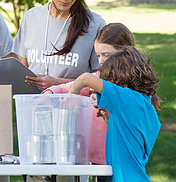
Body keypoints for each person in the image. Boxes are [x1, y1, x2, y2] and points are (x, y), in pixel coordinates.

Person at [43, 23, 136, 169]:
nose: (101, 61)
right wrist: (50, 92)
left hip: (115, 158)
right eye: (98, 55)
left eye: (107, 55)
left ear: (125, 52)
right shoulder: (100, 76)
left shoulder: (133, 87)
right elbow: (67, 87)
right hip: (89, 157)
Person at [12, 0, 105, 90]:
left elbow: (100, 79)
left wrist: (56, 83)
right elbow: (24, 68)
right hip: (32, 106)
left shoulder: (95, 24)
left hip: (72, 106)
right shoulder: (30, 17)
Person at [70, 46, 162, 182]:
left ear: (118, 79)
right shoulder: (147, 107)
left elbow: (84, 79)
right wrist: (109, 118)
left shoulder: (125, 98)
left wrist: (70, 99)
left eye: (108, 80)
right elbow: (129, 135)